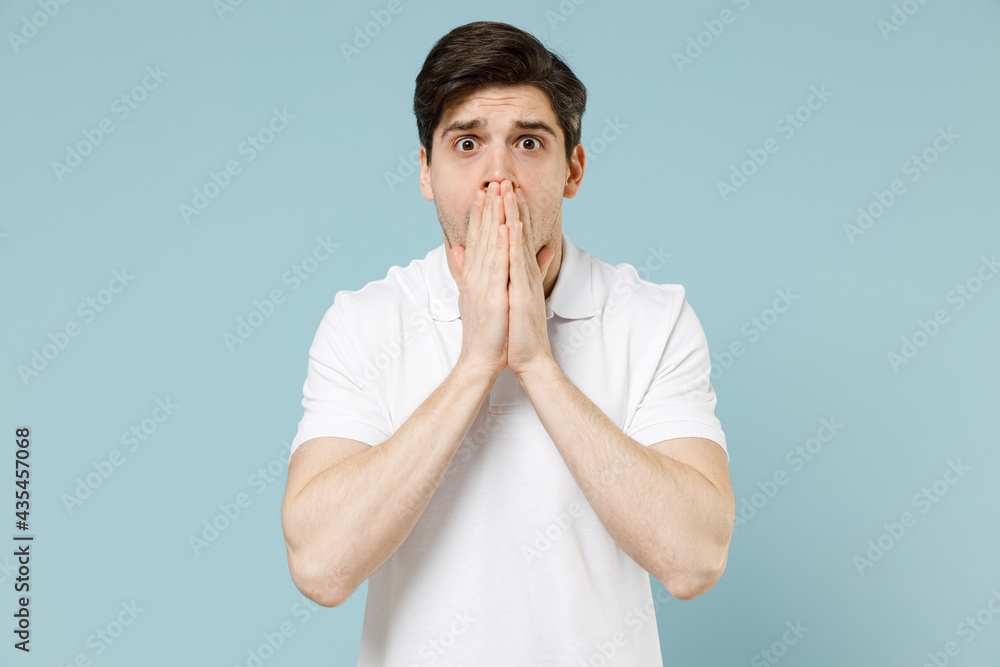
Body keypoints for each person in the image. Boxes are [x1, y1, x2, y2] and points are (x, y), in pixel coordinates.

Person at [281, 20, 734, 665]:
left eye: (528, 142)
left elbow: (695, 560)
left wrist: (535, 364)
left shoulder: (654, 320)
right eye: (467, 144)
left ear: (572, 168)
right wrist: (475, 363)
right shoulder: (363, 324)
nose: (499, 178)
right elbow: (321, 567)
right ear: (426, 173)